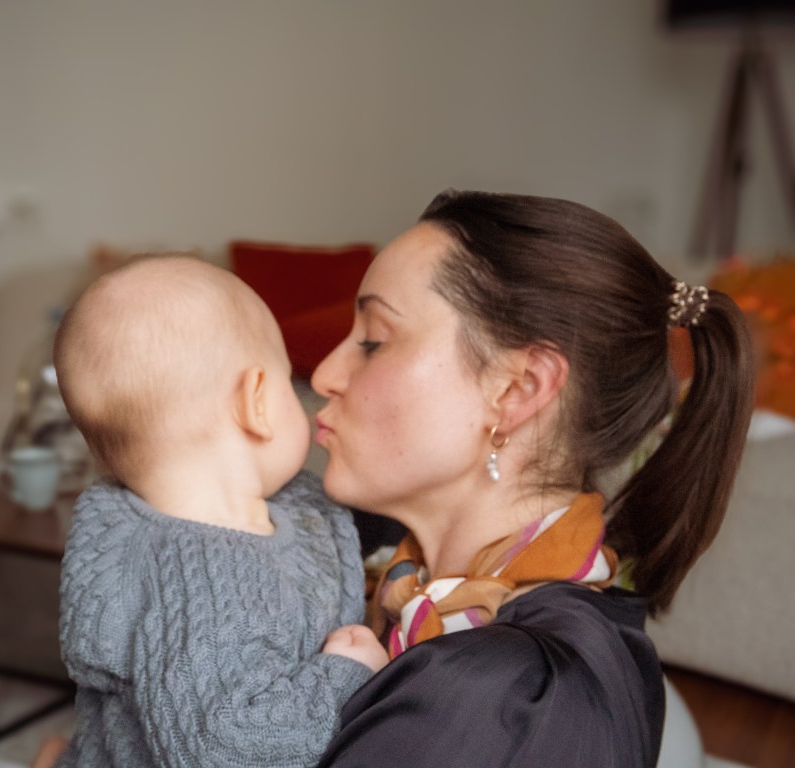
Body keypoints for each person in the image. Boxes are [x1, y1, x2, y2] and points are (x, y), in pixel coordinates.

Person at [308, 189, 755, 768]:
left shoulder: (504, 693)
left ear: (517, 391)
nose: (323, 374)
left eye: (373, 341)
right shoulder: (398, 591)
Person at [48, 254, 388, 768]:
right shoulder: (208, 576)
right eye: (285, 379)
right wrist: (344, 673)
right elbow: (229, 750)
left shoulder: (258, 511)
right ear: (254, 401)